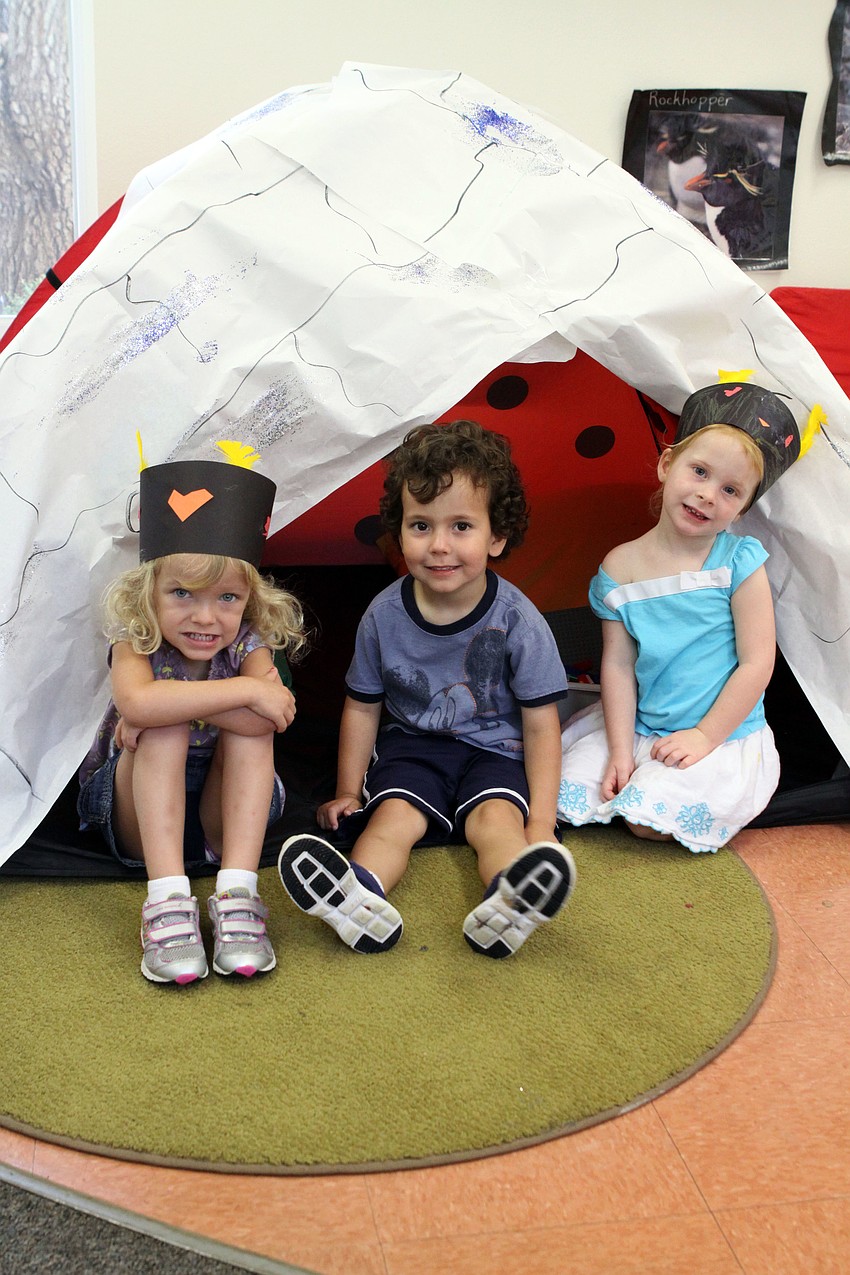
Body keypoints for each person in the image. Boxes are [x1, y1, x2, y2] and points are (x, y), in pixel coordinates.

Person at [277, 419, 576, 959]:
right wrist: (348, 790)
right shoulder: (384, 614)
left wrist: (543, 822)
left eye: (461, 526)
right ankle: (357, 895)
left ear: (498, 536)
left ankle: (512, 899)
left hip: (496, 751)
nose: (438, 546)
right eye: (421, 526)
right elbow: (362, 706)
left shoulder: (517, 619)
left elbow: (539, 722)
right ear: (400, 532)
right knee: (392, 818)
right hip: (412, 748)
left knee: (496, 821)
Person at [78, 443, 306, 984]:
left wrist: (169, 702)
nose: (206, 616)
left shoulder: (251, 641)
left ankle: (237, 894)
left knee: (198, 723)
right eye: (182, 592)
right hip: (135, 811)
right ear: (148, 592)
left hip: (225, 819)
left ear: (248, 600)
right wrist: (243, 694)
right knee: (162, 726)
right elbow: (137, 703)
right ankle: (168, 904)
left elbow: (262, 725)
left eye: (227, 598)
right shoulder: (136, 638)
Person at [558, 380, 802, 854]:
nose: (708, 494)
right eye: (700, 472)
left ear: (743, 508)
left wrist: (705, 736)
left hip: (721, 732)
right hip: (642, 725)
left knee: (645, 820)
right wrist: (621, 749)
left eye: (730, 489)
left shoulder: (738, 562)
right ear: (667, 465)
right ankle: (630, 773)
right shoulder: (619, 568)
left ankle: (665, 793)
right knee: (563, 789)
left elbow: (757, 663)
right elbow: (618, 665)